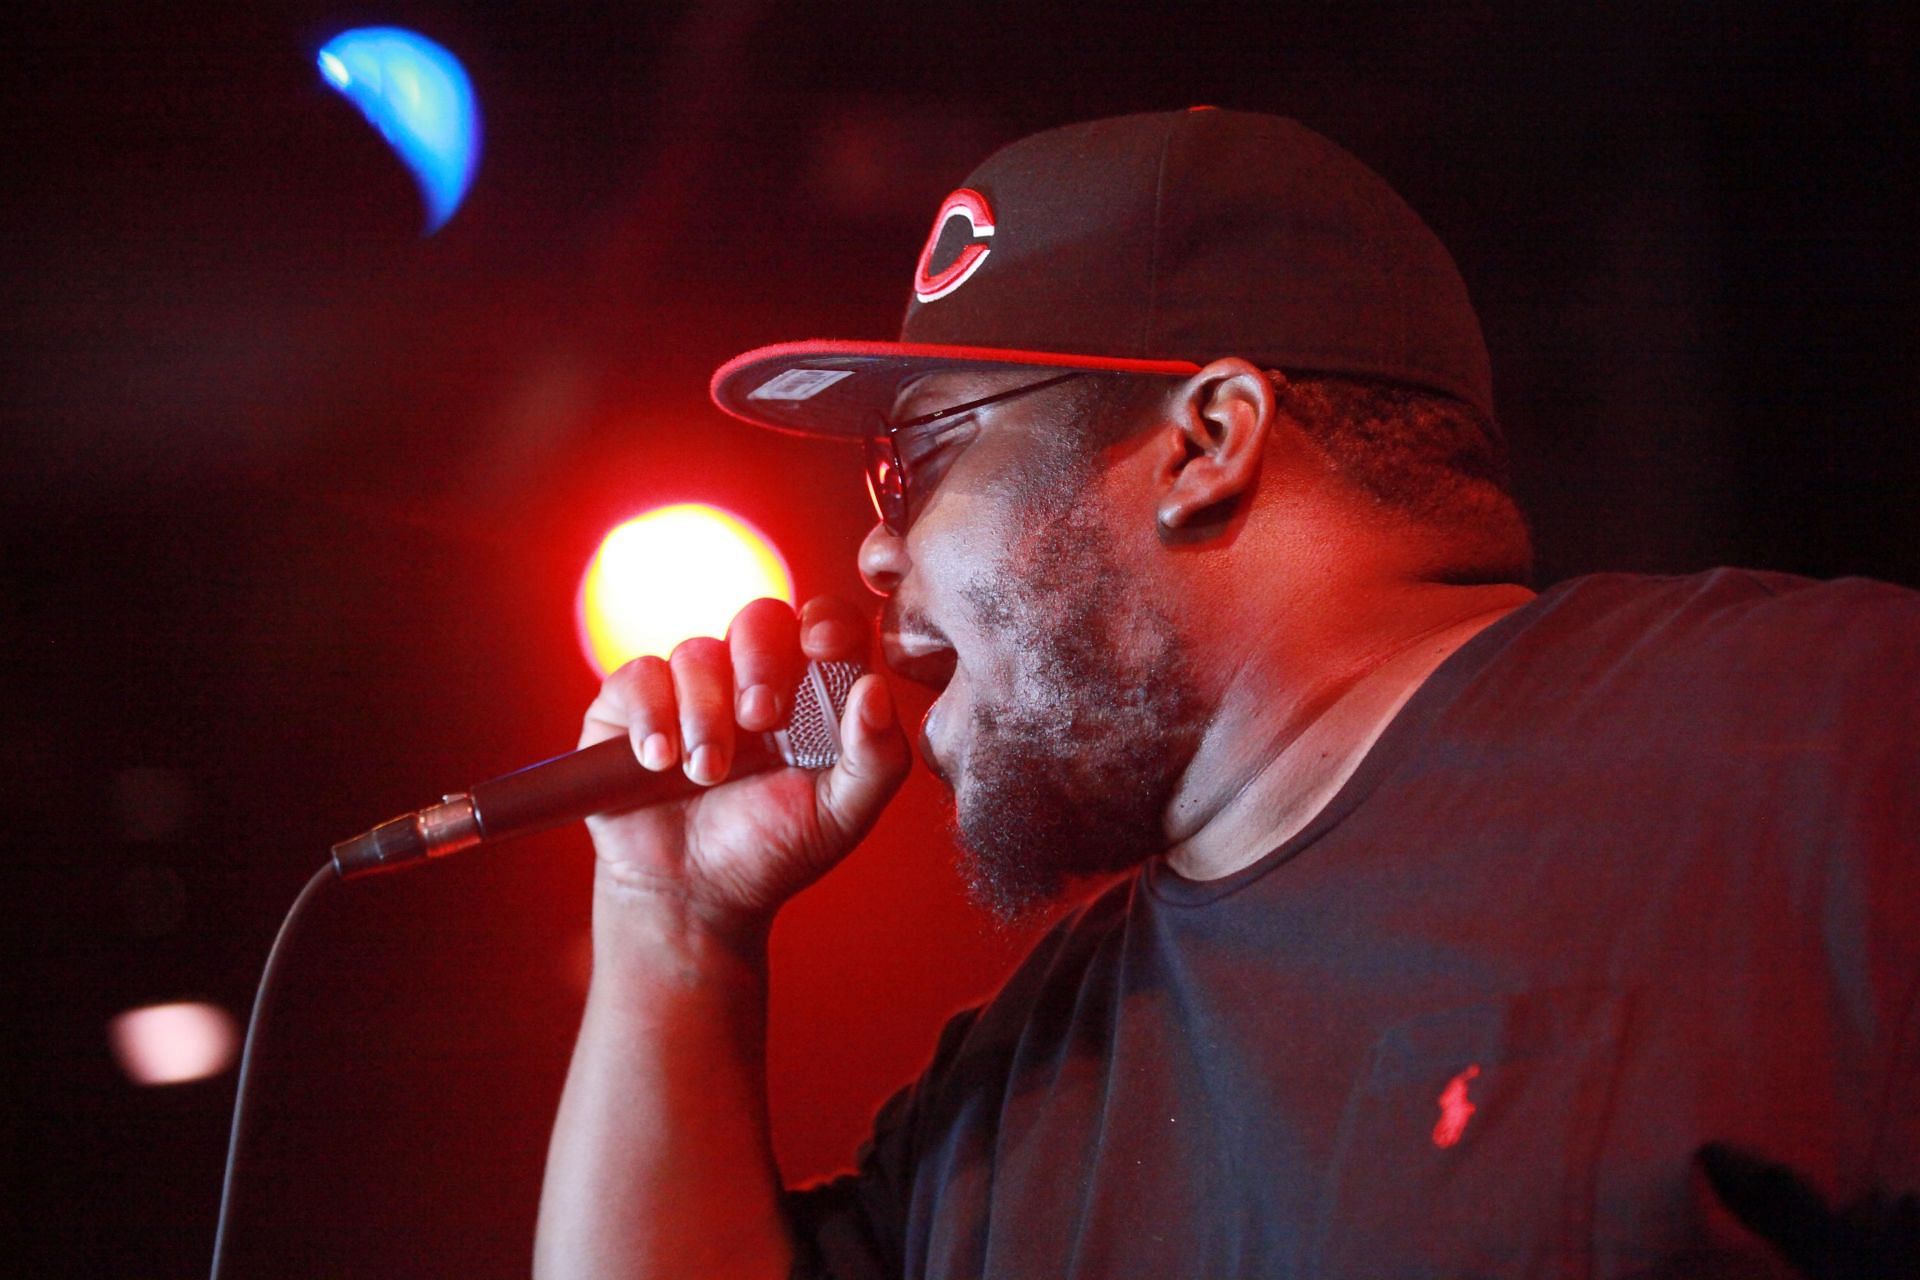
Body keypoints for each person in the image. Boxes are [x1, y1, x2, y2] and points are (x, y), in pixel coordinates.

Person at [533, 109, 1918, 1278]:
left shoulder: (1824, 740)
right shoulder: (1014, 1098)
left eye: (924, 461)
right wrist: (672, 929)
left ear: (1206, 442)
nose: (878, 548)